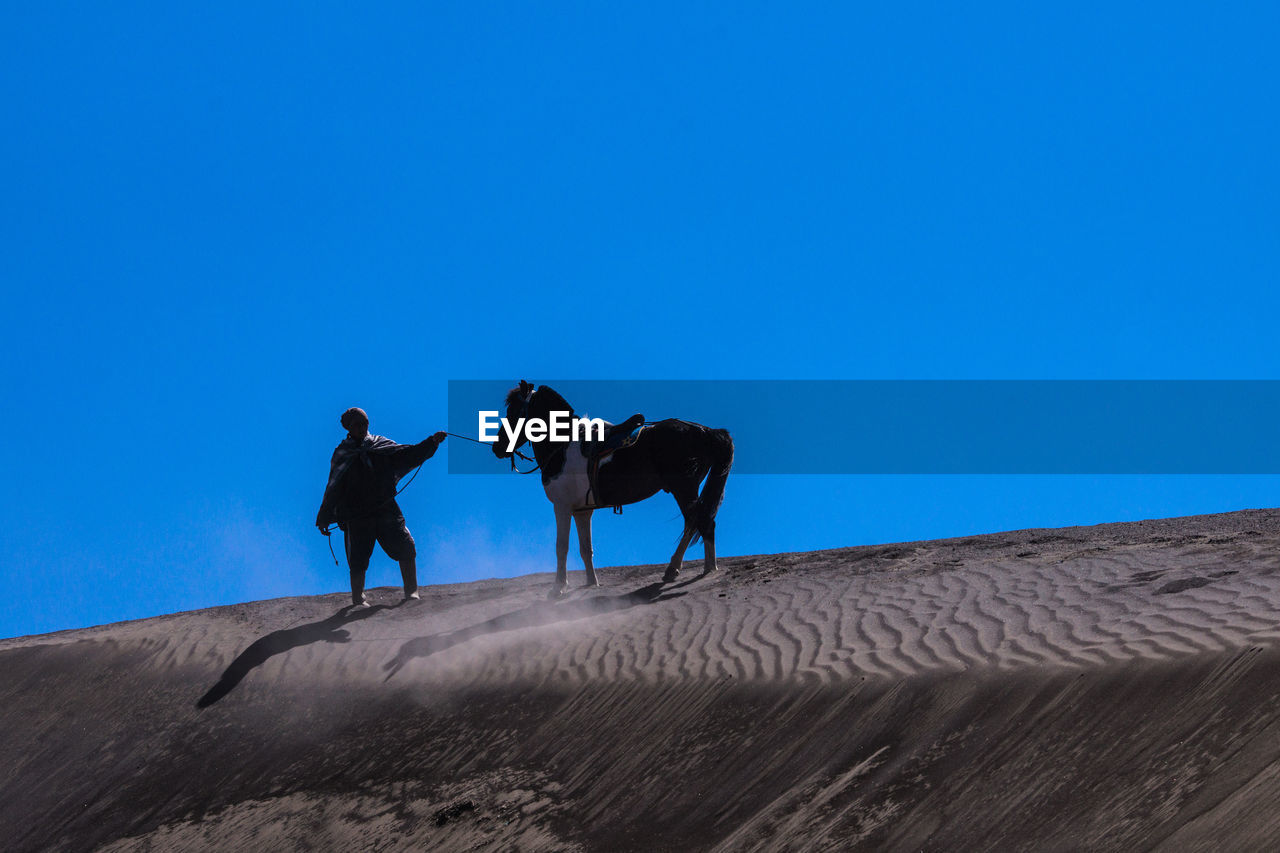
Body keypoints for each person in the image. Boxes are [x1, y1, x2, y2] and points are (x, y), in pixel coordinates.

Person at [316, 407, 446, 606]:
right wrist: (324, 516)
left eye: (364, 423)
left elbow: (408, 454)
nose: (362, 427)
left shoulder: (380, 445)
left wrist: (431, 443)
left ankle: (411, 592)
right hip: (357, 515)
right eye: (357, 425)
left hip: (386, 508)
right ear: (349, 428)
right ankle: (358, 598)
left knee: (406, 546)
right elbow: (333, 486)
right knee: (358, 558)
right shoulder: (342, 454)